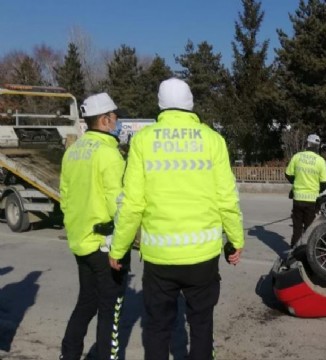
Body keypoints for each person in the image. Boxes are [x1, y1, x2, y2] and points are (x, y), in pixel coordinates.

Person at [108, 78, 244, 360]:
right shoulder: (212, 140)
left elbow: (132, 203)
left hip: (160, 259)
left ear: (160, 105)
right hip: (202, 256)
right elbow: (227, 198)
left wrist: (118, 249)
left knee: (157, 328)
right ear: (190, 103)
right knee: (202, 326)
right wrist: (236, 240)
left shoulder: (143, 140)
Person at [59, 93, 129, 360]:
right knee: (109, 311)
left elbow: (64, 197)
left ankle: (68, 355)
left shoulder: (73, 151)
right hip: (105, 245)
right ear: (104, 119)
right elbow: (119, 205)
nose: (118, 122)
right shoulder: (109, 154)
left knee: (86, 302)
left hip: (81, 242)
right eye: (115, 117)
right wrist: (121, 244)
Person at [285, 134, 326, 248]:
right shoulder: (320, 161)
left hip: (298, 198)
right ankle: (307, 254)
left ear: (307, 144)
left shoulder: (297, 157)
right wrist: (317, 190)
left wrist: (296, 183)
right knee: (309, 230)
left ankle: (293, 255)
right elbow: (325, 182)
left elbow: (288, 174)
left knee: (297, 229)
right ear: (318, 146)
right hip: (312, 200)